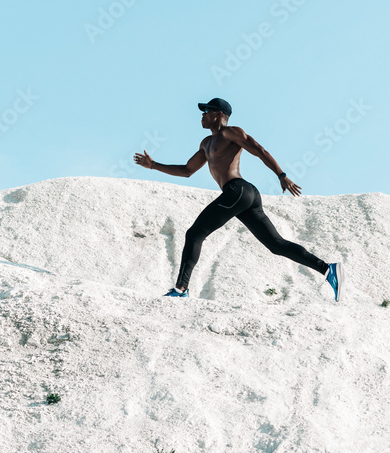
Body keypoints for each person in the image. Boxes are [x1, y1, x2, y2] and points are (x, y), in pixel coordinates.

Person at [134, 97, 342, 301]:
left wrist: (281, 175)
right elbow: (187, 170)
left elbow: (259, 150)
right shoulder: (206, 144)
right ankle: (328, 269)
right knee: (276, 244)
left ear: (219, 114)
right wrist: (153, 165)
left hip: (238, 190)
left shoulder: (231, 132)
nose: (202, 115)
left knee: (195, 233)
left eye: (206, 111)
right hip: (243, 195)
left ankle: (181, 290)